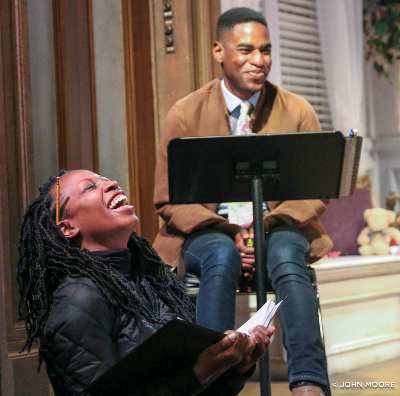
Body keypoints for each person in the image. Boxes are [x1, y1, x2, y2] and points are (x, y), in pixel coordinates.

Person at [153, 7, 333, 396]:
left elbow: (315, 190)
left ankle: (308, 383)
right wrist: (228, 230)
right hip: (208, 229)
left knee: (286, 252)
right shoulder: (184, 114)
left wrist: (264, 226)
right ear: (219, 52)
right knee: (220, 253)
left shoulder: (297, 110)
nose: (259, 61)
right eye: (247, 50)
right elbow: (167, 198)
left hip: (280, 224)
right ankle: (214, 380)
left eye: (266, 50)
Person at [17, 169, 274, 396]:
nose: (112, 183)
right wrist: (198, 373)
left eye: (104, 179)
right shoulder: (77, 300)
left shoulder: (154, 280)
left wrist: (235, 366)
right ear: (67, 228)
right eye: (90, 187)